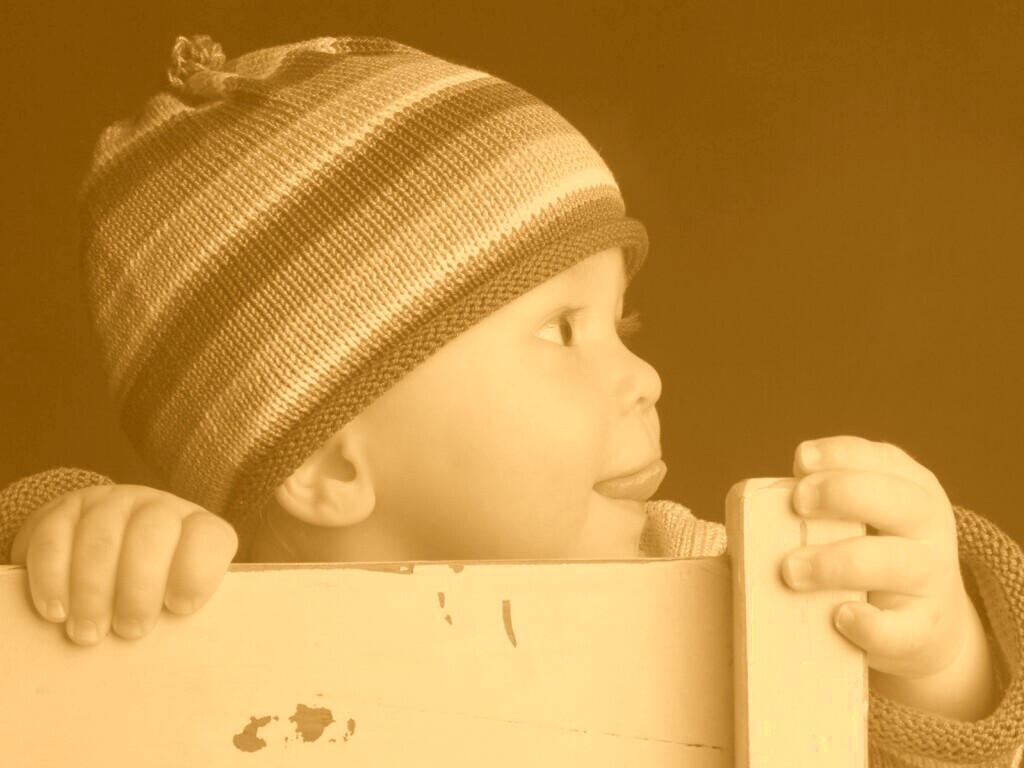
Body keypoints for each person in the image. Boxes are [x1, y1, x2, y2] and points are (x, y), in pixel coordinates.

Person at [1, 33, 1021, 767]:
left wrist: (937, 659)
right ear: (329, 463)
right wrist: (66, 539)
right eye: (561, 330)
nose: (645, 378)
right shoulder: (191, 620)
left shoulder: (712, 581)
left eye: (623, 325)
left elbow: (896, 739)